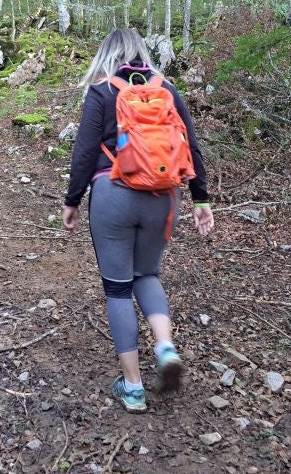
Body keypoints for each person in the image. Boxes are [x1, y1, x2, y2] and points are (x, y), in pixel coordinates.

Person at [62, 28, 214, 414]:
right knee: (147, 275)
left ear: (106, 54)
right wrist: (201, 198)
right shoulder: (167, 88)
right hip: (164, 198)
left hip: (113, 195)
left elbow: (83, 153)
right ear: (141, 52)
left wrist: (72, 200)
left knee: (117, 289)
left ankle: (132, 387)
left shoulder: (101, 90)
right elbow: (190, 145)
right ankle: (164, 346)